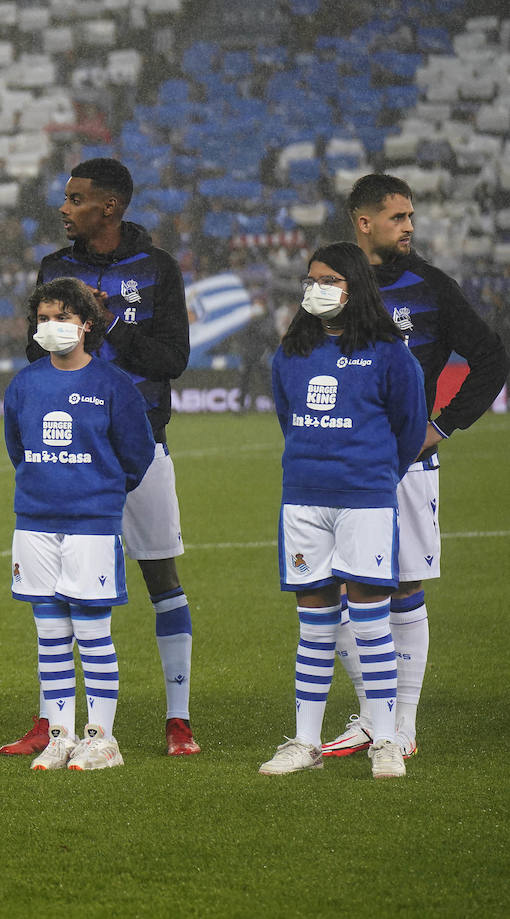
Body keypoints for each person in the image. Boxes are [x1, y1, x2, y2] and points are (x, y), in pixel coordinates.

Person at [323, 174, 510, 759]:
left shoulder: (430, 286)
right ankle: (371, 715)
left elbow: (490, 359)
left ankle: (401, 726)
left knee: (402, 586)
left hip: (403, 467)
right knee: (332, 589)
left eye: (411, 217)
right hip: (338, 462)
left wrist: (439, 428)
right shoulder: (333, 282)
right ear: (364, 221)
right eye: (398, 217)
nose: (408, 227)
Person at [23, 157, 200, 758]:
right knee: (57, 593)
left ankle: (178, 719)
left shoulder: (156, 269)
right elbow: (36, 351)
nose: (65, 208)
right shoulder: (56, 268)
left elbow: (171, 359)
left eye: (76, 199)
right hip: (68, 453)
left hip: (142, 445)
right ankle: (54, 723)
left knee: (161, 577)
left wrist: (111, 321)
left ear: (110, 206)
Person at [260, 242, 425, 779]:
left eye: (328, 279)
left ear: (355, 284)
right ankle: (304, 743)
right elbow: (289, 419)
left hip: (365, 501)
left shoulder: (390, 352)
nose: (316, 289)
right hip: (303, 500)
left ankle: (385, 740)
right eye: (311, 280)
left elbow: (408, 429)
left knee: (373, 625)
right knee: (314, 628)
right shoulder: (293, 350)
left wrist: (374, 474)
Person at [2, 279, 155, 771]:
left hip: (92, 522)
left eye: (64, 317)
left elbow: (136, 454)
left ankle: (102, 738)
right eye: (44, 317)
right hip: (35, 521)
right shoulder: (24, 384)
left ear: (87, 324)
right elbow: (17, 449)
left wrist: (101, 491)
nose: (53, 326)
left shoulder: (113, 384)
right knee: (49, 633)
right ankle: (62, 735)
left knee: (91, 631)